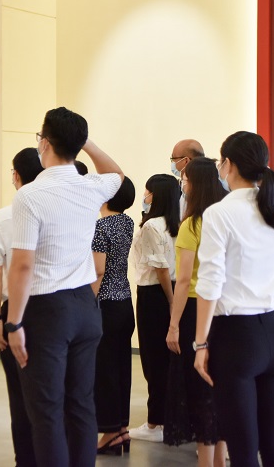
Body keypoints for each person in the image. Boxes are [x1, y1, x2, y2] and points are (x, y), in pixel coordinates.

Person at [5, 107, 124, 467]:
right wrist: (85, 142)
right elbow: (117, 175)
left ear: (45, 142)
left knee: (47, 411)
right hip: (85, 308)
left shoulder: (30, 196)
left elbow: (22, 265)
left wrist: (13, 322)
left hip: (46, 312)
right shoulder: (90, 187)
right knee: (81, 405)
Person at [194, 131, 274, 467]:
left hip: (235, 340)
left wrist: (200, 344)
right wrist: (272, 182)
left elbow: (210, 283)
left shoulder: (219, 213)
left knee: (244, 451)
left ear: (228, 165)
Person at [0, 147, 44, 467]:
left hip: (14, 310)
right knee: (53, 392)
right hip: (53, 308)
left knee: (19, 394)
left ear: (16, 176)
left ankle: (26, 460)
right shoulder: (59, 210)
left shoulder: (2, 217)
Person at [165, 157, 228, 467]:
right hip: (223, 309)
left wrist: (173, 325)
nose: (183, 184)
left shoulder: (192, 224)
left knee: (199, 391)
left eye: (185, 179)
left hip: (194, 309)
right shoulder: (224, 219)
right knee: (218, 386)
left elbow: (183, 280)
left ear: (196, 184)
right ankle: (220, 459)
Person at [128, 174, 181, 442]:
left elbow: (160, 269)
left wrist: (171, 302)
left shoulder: (151, 226)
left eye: (147, 192)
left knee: (153, 359)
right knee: (167, 359)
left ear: (156, 196)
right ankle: (170, 419)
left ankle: (155, 423)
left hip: (155, 294)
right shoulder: (177, 223)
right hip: (174, 290)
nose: (145, 196)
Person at [91, 177, 137, 456]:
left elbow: (98, 271)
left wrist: (88, 304)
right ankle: (121, 429)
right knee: (121, 367)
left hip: (105, 305)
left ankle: (109, 433)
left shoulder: (101, 227)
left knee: (105, 370)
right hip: (125, 303)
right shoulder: (127, 222)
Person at [170, 139, 205, 219]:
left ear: (186, 161)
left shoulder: (203, 191)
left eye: (173, 158)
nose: (172, 162)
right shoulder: (179, 187)